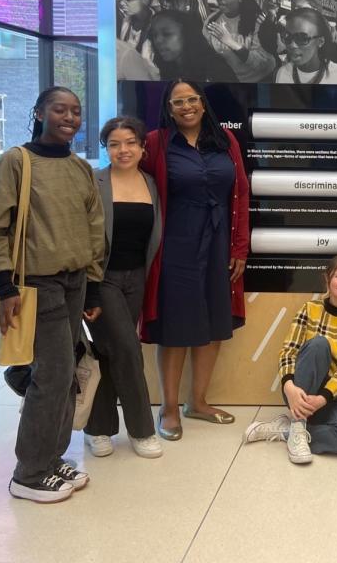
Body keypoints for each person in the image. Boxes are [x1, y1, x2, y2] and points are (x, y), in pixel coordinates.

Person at [0, 87, 104, 503]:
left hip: (75, 281)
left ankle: (51, 456)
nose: (69, 117)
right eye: (59, 109)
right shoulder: (16, 162)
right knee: (55, 373)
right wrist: (5, 286)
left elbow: (93, 227)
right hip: (35, 285)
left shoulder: (80, 167)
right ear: (39, 112)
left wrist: (93, 283)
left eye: (76, 111)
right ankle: (28, 472)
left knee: (67, 372)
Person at [141, 80, 250, 441]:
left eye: (192, 100)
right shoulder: (156, 143)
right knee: (174, 328)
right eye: (178, 102)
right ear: (168, 108)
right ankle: (169, 408)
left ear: (203, 104)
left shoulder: (225, 141)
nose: (186, 106)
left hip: (219, 244)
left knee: (213, 322)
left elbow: (241, 193)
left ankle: (198, 402)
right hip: (175, 245)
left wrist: (239, 248)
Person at [243, 255, 337, 464]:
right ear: (327, 279)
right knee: (319, 344)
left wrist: (324, 397)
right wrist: (289, 386)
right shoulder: (309, 309)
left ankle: (290, 430)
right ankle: (299, 423)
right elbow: (288, 350)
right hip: (302, 390)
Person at [83, 117, 163, 460]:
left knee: (111, 351)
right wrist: (90, 289)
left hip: (136, 279)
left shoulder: (151, 183)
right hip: (103, 280)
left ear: (143, 147)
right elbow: (82, 237)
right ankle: (142, 430)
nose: (123, 150)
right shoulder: (94, 181)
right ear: (106, 149)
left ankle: (97, 427)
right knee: (128, 350)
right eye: (114, 144)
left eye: (130, 142)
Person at [203, 0, 276, 82]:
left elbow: (261, 64)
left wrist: (230, 42)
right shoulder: (212, 21)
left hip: (264, 78)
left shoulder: (257, 20)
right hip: (236, 80)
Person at [272, 7, 337, 84]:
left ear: (320, 41)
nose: (292, 45)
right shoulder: (279, 75)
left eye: (302, 38)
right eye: (287, 37)